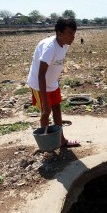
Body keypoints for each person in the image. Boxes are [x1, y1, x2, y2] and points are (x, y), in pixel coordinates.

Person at [27, 17, 80, 147]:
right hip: (40, 85)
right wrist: (45, 102)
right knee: (46, 112)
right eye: (69, 33)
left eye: (74, 33)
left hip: (53, 84)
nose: (72, 37)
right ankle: (46, 146)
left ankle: (61, 140)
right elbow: (41, 75)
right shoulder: (49, 48)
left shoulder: (65, 45)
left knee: (57, 109)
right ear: (59, 33)